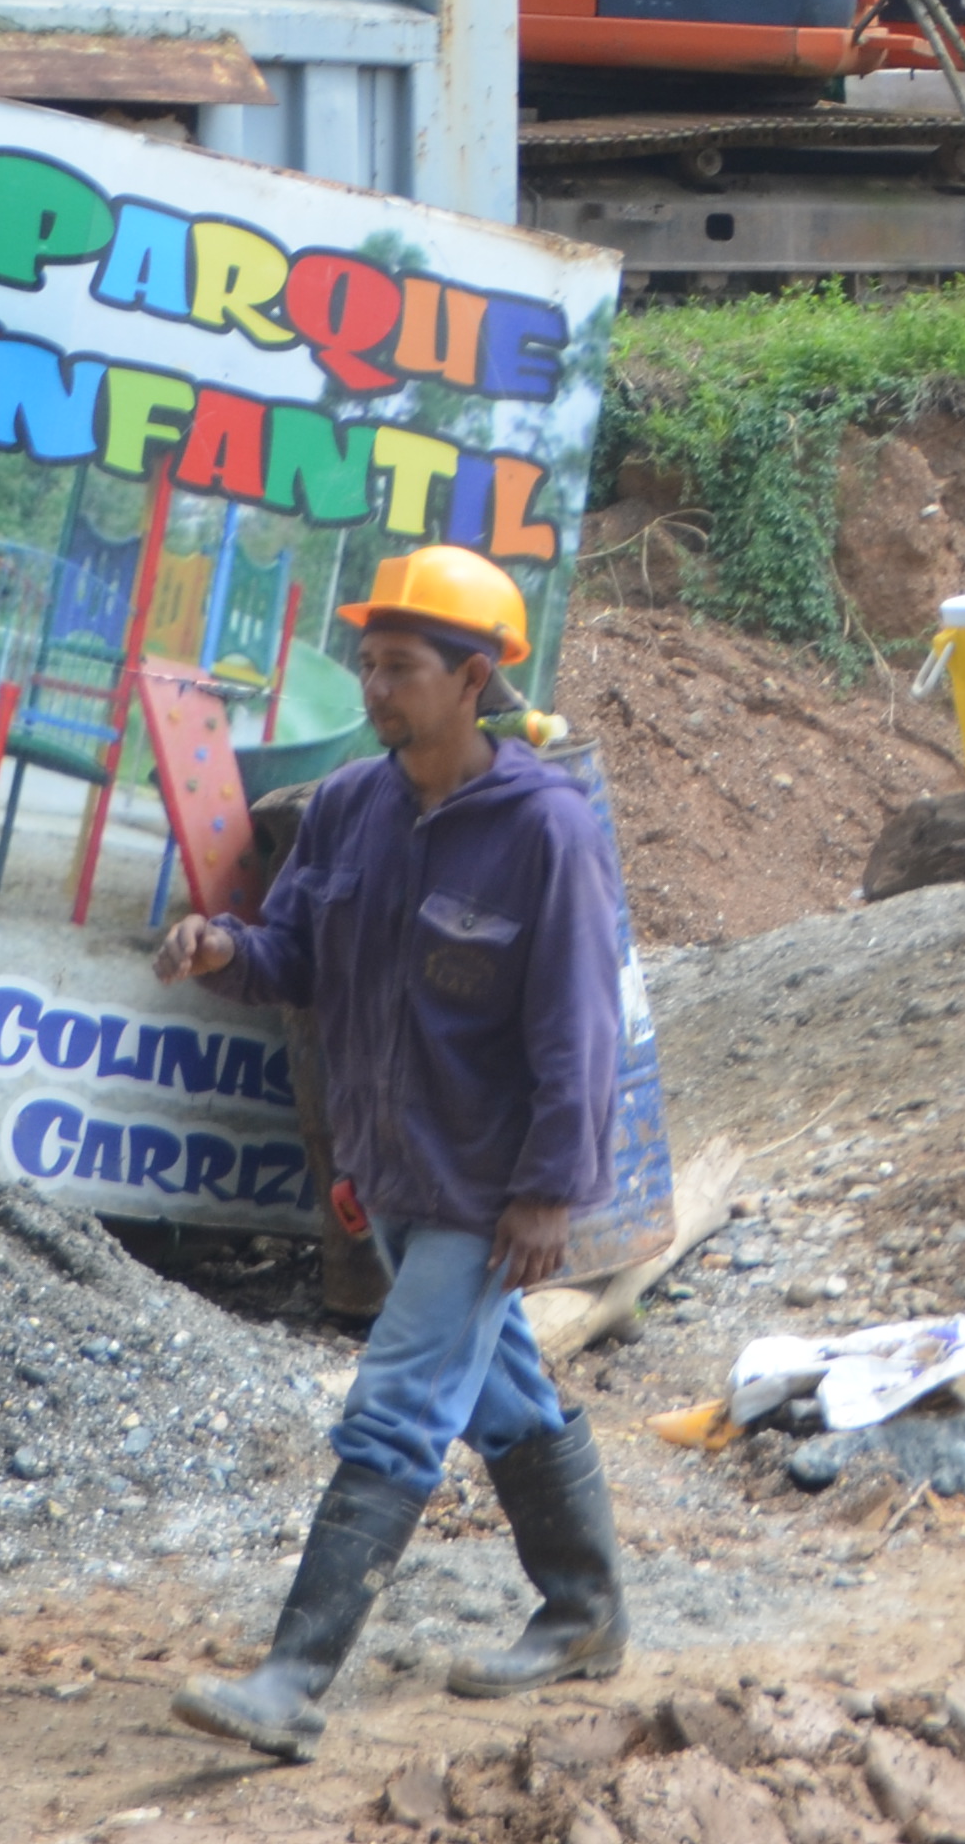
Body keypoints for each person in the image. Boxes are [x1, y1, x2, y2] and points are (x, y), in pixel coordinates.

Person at [156, 544, 633, 1759]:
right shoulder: (354, 807)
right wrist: (222, 950)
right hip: (392, 1170)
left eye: (402, 667)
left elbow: (579, 1023)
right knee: (504, 1395)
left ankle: (291, 1682)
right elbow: (295, 961)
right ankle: (584, 1612)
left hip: (486, 1181)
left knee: (398, 1406)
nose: (375, 687)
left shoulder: (546, 829)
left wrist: (546, 1192)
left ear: (475, 679)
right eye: (368, 663)